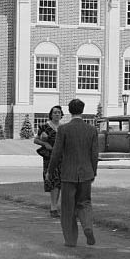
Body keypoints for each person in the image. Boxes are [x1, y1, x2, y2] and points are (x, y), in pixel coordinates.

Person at [47, 98, 98, 247]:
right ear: (82, 110)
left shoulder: (63, 129)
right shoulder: (91, 130)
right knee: (85, 203)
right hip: (86, 173)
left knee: (68, 208)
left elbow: (56, 153)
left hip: (68, 174)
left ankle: (70, 240)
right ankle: (87, 226)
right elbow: (94, 155)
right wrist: (93, 172)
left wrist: (50, 171)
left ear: (69, 111)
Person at [34, 105, 63, 217]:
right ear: (51, 114)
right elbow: (36, 140)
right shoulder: (44, 127)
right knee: (52, 180)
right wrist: (45, 143)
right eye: (55, 112)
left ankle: (55, 207)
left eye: (59, 112)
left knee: (59, 182)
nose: (57, 114)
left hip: (61, 157)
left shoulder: (63, 127)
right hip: (49, 157)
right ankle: (53, 207)